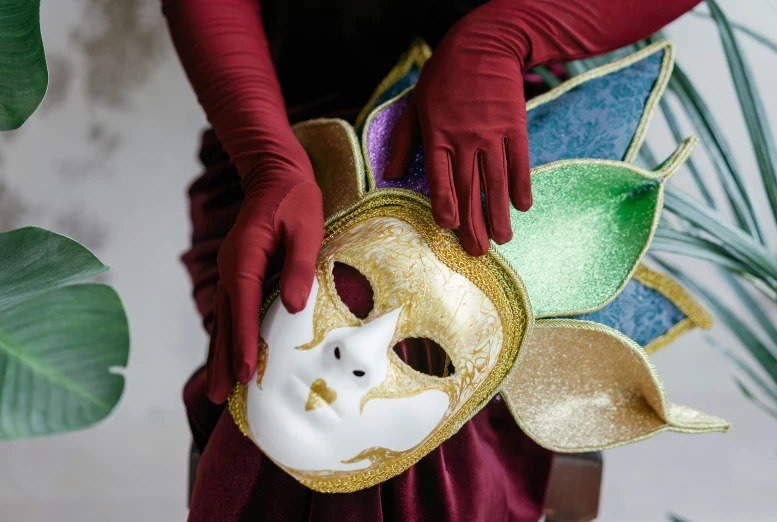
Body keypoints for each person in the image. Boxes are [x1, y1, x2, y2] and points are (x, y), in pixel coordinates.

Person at [162, 1, 702, 520]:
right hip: (281, 133)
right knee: (301, 381)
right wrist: (265, 157)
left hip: (499, 152)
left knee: (392, 421)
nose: (357, 353)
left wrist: (513, 32)